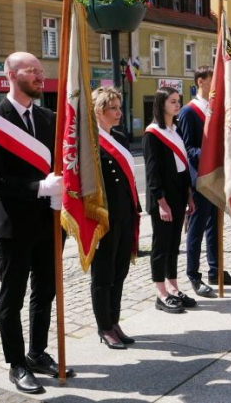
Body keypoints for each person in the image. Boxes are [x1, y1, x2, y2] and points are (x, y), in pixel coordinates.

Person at [0, 52, 70, 394]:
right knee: (12, 297)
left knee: (45, 291)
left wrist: (60, 191)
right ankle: (16, 363)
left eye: (42, 71)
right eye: (33, 71)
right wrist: (39, 187)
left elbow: (61, 164)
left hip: (48, 221)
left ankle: (38, 352)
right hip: (12, 225)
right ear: (11, 75)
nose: (41, 76)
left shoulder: (47, 117)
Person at [178, 67, 231, 297]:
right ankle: (194, 276)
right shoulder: (189, 111)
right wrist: (211, 154)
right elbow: (188, 149)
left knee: (215, 227)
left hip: (217, 176)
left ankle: (216, 270)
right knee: (196, 230)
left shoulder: (216, 111)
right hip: (200, 179)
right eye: (213, 81)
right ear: (201, 82)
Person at [91, 87, 141, 349]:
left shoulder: (119, 137)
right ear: (100, 110)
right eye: (114, 108)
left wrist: (136, 207)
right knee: (103, 275)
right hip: (103, 219)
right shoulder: (89, 142)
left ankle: (114, 320)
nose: (119, 113)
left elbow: (130, 179)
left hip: (125, 214)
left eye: (120, 108)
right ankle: (104, 326)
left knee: (120, 271)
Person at [144, 87, 197, 313]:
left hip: (178, 196)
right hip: (162, 200)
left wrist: (189, 195)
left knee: (174, 245)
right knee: (161, 247)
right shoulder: (152, 133)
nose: (177, 105)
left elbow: (183, 167)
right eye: (173, 102)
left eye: (178, 101)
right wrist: (161, 202)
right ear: (161, 104)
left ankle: (174, 287)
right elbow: (152, 172)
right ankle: (161, 292)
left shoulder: (175, 131)